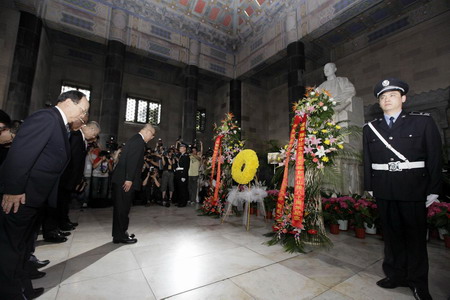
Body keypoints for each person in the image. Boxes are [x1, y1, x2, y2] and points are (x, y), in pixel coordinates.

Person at [0, 90, 89, 300]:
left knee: (21, 247)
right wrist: (13, 190)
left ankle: (23, 288)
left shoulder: (58, 124)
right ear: (68, 102)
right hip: (20, 198)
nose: (83, 115)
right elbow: (21, 154)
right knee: (10, 248)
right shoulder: (46, 118)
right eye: (82, 109)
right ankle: (9, 293)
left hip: (33, 198)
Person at [363, 78, 441, 300]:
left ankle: (418, 283)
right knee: (391, 235)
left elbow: (435, 156)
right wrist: (370, 186)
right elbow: (367, 160)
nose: (387, 99)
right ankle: (394, 275)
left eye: (392, 95)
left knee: (415, 237)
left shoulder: (422, 122)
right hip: (384, 188)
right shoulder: (370, 128)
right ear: (379, 103)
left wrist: (434, 188)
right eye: (382, 97)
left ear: (403, 98)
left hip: (413, 188)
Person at [111, 123, 155, 244]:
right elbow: (132, 161)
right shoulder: (139, 141)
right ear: (147, 131)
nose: (151, 138)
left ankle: (119, 234)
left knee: (121, 208)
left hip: (121, 179)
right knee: (123, 209)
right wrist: (129, 179)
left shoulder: (135, 139)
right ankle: (121, 236)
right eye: (152, 135)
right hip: (125, 181)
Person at [174, 143, 190, 207]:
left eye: (181, 148)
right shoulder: (181, 155)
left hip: (182, 174)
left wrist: (184, 176)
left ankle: (183, 202)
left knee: (183, 189)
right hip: (178, 173)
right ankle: (180, 201)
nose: (180, 149)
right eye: (180, 147)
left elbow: (186, 167)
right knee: (179, 188)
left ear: (184, 149)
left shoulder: (186, 156)